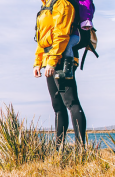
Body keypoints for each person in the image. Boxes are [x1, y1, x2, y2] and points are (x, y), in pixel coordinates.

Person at [33, 0, 87, 147]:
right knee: (57, 106)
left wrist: (52, 61)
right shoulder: (45, 6)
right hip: (49, 59)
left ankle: (81, 150)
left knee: (71, 102)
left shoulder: (62, 4)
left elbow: (61, 34)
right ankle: (58, 148)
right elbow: (42, 39)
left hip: (63, 59)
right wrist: (38, 62)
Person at [58, 0, 95, 80]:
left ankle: (68, 69)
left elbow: (86, 6)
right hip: (63, 35)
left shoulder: (82, 2)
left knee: (67, 44)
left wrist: (86, 21)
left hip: (75, 33)